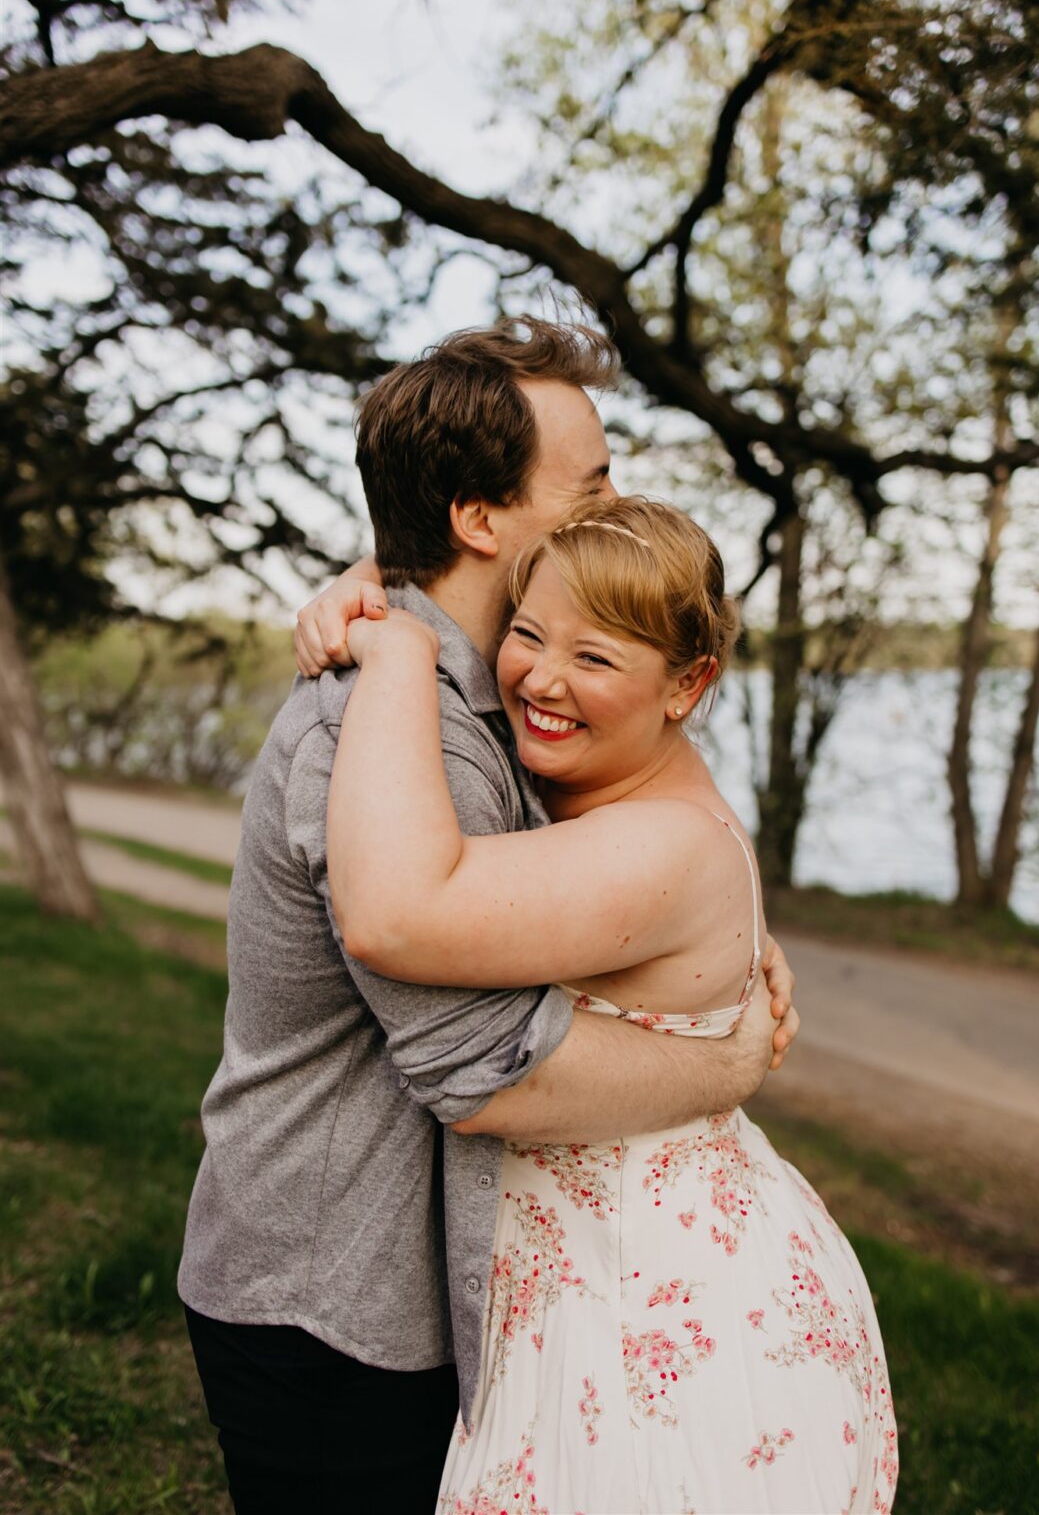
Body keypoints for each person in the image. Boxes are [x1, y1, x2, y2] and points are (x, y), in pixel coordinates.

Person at [179, 320, 799, 1513]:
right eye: (593, 480)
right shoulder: (395, 728)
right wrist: (719, 1057)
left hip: (392, 1289)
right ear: (479, 517)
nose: (615, 500)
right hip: (333, 1296)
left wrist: (714, 957)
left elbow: (602, 880)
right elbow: (483, 1065)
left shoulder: (491, 698)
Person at [324, 494, 897, 1514]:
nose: (541, 677)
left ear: (688, 684)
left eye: (594, 660)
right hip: (596, 1274)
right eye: (527, 635)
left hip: (651, 1305)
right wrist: (363, 583)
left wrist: (401, 656)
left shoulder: (657, 843)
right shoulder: (612, 791)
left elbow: (395, 911)